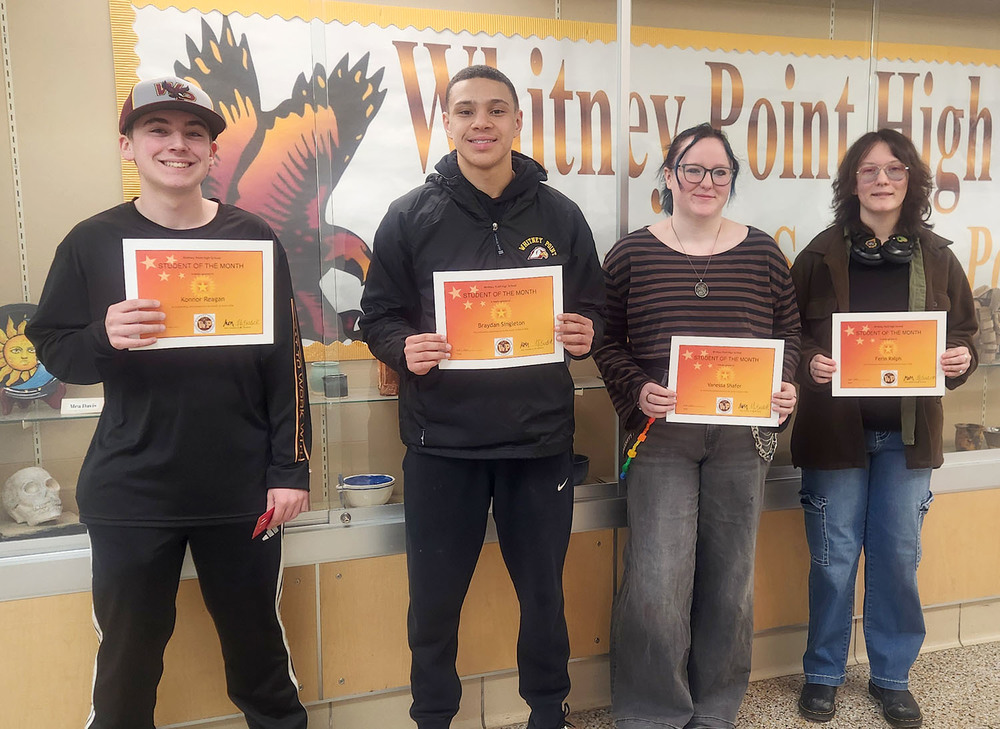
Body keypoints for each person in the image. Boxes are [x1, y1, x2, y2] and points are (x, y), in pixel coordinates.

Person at [26, 76, 311, 729]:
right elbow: (56, 353)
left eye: (193, 133)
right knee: (127, 663)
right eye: (158, 130)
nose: (177, 144)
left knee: (260, 658)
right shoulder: (91, 241)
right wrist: (103, 335)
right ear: (127, 145)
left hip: (242, 489)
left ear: (212, 151)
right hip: (132, 489)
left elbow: (286, 362)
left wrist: (289, 469)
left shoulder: (253, 236)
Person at [359, 64, 605, 729]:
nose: (482, 123)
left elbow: (596, 308)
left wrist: (586, 330)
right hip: (442, 444)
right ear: (446, 123)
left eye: (497, 110)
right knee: (434, 603)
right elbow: (377, 316)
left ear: (518, 122)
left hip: (539, 444)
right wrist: (402, 347)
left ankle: (548, 711)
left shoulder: (560, 215)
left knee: (543, 597)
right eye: (466, 110)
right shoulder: (410, 215)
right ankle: (434, 716)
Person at [593, 122, 800, 729]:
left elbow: (789, 332)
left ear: (731, 180)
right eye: (693, 169)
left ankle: (714, 709)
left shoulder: (763, 253)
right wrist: (638, 388)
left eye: (719, 172)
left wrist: (785, 384)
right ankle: (653, 712)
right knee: (657, 579)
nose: (706, 182)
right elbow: (605, 339)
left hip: (743, 439)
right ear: (669, 176)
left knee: (730, 579)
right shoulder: (632, 253)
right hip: (661, 437)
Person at [790, 129, 977, 728]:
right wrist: (809, 361)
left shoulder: (939, 256)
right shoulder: (817, 257)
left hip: (907, 437)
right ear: (851, 183)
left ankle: (891, 677)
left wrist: (960, 358)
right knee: (833, 559)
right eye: (868, 170)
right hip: (834, 435)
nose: (882, 180)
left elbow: (965, 333)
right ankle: (823, 674)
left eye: (894, 169)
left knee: (897, 558)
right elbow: (787, 335)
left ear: (911, 180)